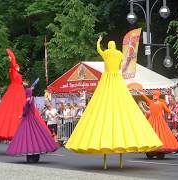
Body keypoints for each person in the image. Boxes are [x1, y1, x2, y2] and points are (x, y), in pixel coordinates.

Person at [65, 36, 162, 169]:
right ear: (114, 46)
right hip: (117, 80)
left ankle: (102, 144)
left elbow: (99, 50)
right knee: (122, 109)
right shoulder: (119, 54)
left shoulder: (106, 53)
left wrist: (99, 41)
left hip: (107, 80)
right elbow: (124, 61)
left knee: (102, 109)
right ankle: (124, 144)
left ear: (109, 46)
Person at [0, 49, 46, 140]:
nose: (18, 68)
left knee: (20, 107)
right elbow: (12, 65)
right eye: (17, 66)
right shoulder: (13, 71)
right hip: (15, 90)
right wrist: (11, 57)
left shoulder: (17, 74)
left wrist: (23, 84)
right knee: (13, 108)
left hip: (19, 90)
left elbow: (19, 80)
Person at [7, 88, 59, 163]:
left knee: (27, 137)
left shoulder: (28, 100)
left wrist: (22, 115)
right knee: (36, 137)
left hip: (28, 119)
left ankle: (30, 156)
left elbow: (25, 110)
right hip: (34, 119)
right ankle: (36, 156)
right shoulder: (32, 99)